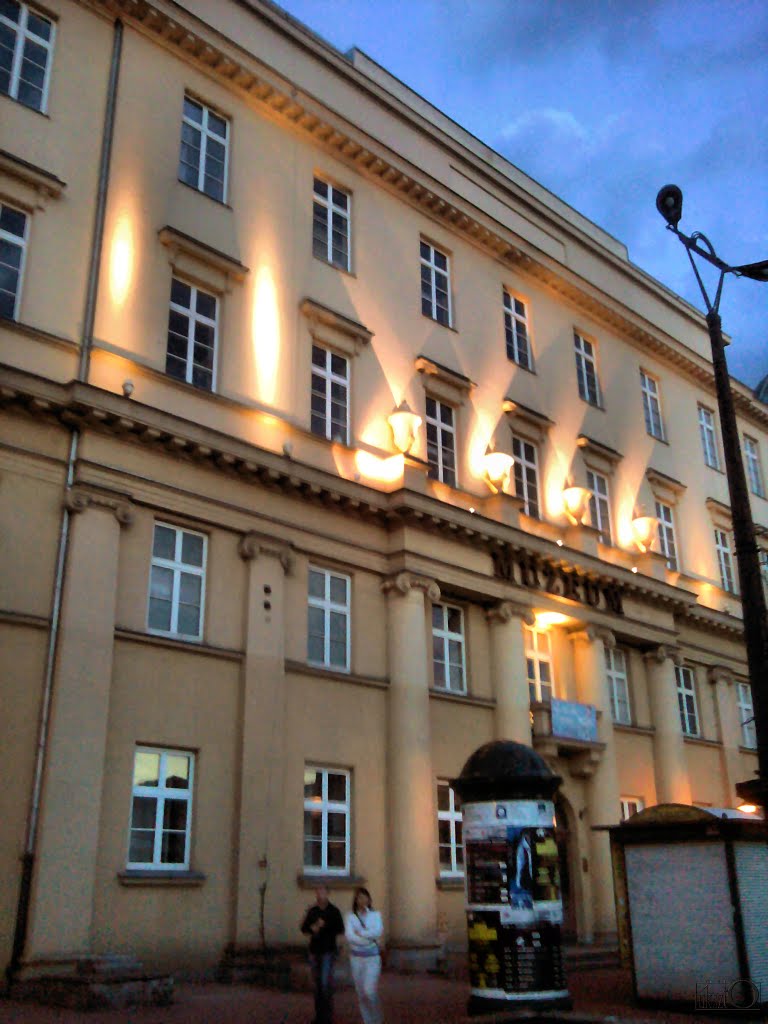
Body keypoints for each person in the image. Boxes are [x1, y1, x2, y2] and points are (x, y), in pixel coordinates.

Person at [300, 884, 345, 1024]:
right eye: (318, 892)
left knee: (325, 983)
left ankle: (327, 1016)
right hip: (314, 951)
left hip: (328, 951)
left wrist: (325, 926)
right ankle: (319, 1016)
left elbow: (340, 928)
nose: (320, 895)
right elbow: (304, 928)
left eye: (323, 892)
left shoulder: (334, 911)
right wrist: (313, 927)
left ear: (328, 894)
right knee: (317, 985)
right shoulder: (312, 911)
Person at [345, 887, 384, 1024]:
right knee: (361, 993)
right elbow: (350, 937)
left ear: (369, 899)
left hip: (372, 958)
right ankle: (368, 1021)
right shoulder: (350, 917)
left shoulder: (376, 915)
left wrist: (361, 934)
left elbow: (378, 932)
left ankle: (377, 1018)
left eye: (365, 897)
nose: (362, 900)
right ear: (356, 900)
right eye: (359, 897)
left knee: (369, 991)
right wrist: (367, 936)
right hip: (356, 958)